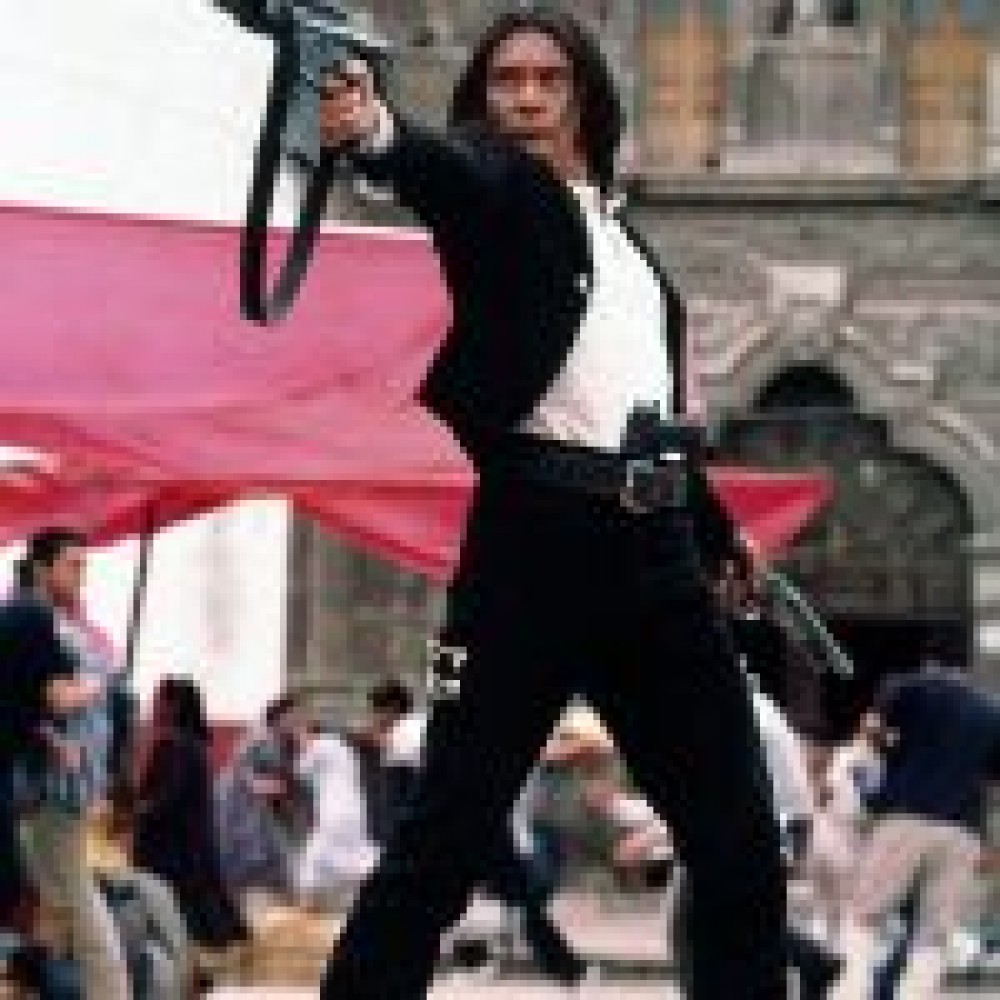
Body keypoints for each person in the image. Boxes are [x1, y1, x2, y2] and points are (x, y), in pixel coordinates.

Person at [316, 10, 786, 997]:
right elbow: (444, 172)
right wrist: (373, 131)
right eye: (506, 80)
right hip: (532, 551)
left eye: (548, 79)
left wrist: (715, 532)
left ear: (586, 95)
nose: (526, 97)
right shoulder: (502, 196)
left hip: (659, 562)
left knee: (740, 837)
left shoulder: (629, 250)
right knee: (447, 834)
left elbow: (645, 416)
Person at [5, 528, 131, 1000]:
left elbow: (22, 702)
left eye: (84, 566)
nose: (81, 576)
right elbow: (56, 698)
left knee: (59, 894)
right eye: (73, 565)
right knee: (73, 894)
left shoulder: (32, 617)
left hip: (49, 779)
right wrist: (99, 681)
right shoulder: (38, 619)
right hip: (51, 783)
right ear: (42, 567)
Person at [828, 664, 1000, 999]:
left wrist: (883, 763)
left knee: (865, 915)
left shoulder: (911, 685)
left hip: (906, 816)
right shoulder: (993, 711)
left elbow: (872, 730)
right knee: (934, 934)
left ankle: (850, 991)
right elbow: (992, 782)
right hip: (965, 831)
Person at [133, 677, 250, 950]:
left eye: (158, 700)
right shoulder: (192, 744)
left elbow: (167, 796)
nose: (153, 706)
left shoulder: (175, 745)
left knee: (177, 901)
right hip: (190, 838)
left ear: (173, 706)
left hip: (172, 843)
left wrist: (137, 812)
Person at [217, 695, 314, 897]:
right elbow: (252, 782)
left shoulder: (277, 742)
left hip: (254, 817)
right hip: (245, 817)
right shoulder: (263, 740)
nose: (300, 721)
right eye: (295, 716)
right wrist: (285, 787)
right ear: (280, 717)